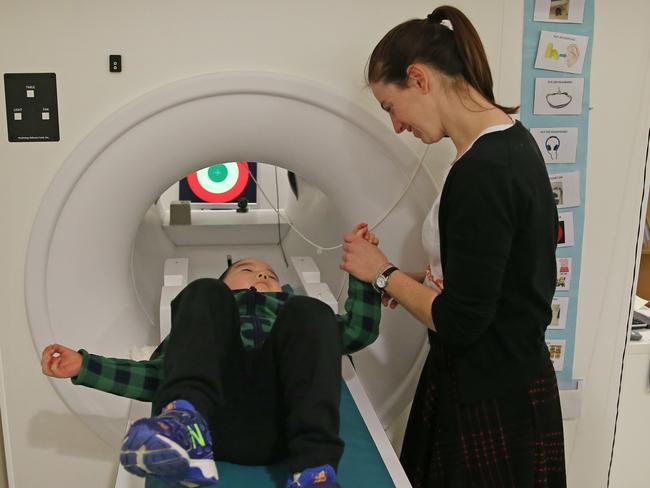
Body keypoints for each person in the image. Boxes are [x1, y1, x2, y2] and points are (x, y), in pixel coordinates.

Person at [340, 6, 566, 488]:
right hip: (495, 381)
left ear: (419, 78)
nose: (397, 127)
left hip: (489, 394)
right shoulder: (502, 147)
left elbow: (462, 322)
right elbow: (495, 277)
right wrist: (408, 282)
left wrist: (382, 273)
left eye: (389, 107)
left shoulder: (485, 171)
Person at [41, 224, 381, 488]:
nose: (262, 275)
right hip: (215, 420)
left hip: (285, 422)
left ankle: (313, 472)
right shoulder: (206, 315)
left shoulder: (295, 314)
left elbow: (358, 330)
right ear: (228, 282)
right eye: (248, 269)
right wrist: (86, 366)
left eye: (271, 275)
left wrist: (363, 276)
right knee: (203, 289)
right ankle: (183, 427)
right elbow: (158, 377)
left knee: (310, 309)